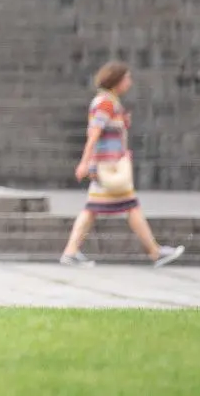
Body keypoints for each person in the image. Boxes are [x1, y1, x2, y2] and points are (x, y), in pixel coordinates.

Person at [59, 61, 185, 268]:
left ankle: (71, 251)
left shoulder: (111, 103)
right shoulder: (105, 103)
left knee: (93, 210)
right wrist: (84, 163)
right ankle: (155, 252)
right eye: (126, 78)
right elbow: (94, 134)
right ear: (116, 80)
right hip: (109, 167)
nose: (129, 82)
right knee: (129, 206)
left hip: (108, 166)